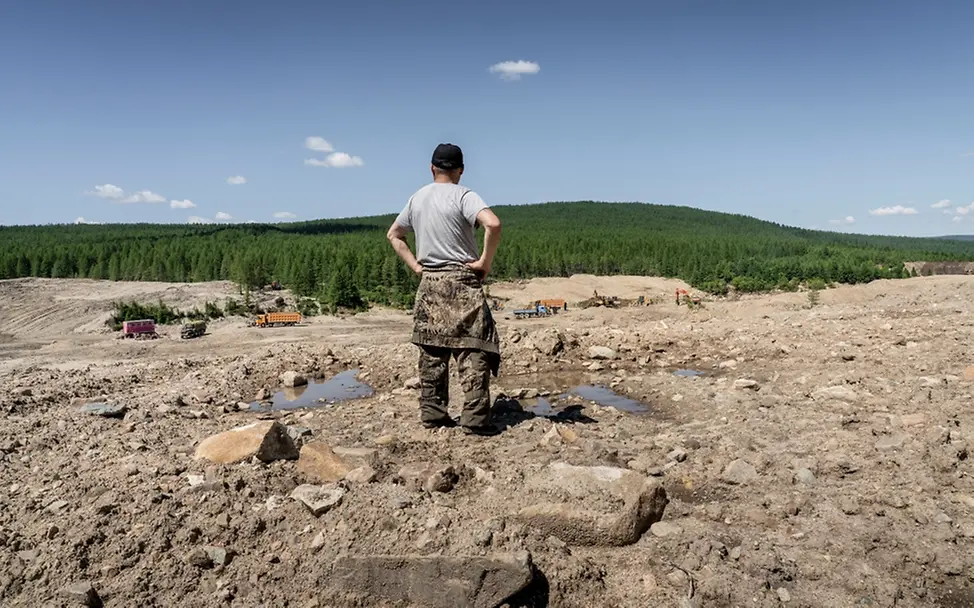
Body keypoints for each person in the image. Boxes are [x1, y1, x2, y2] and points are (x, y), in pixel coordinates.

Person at [386, 143, 503, 436]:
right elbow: (493, 224)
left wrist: (415, 266)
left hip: (431, 282)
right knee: (472, 347)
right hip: (463, 280)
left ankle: (434, 414)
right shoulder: (464, 195)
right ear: (460, 170)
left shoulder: (417, 198)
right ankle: (475, 420)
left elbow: (394, 234)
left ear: (431, 168)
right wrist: (484, 263)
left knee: (432, 351)